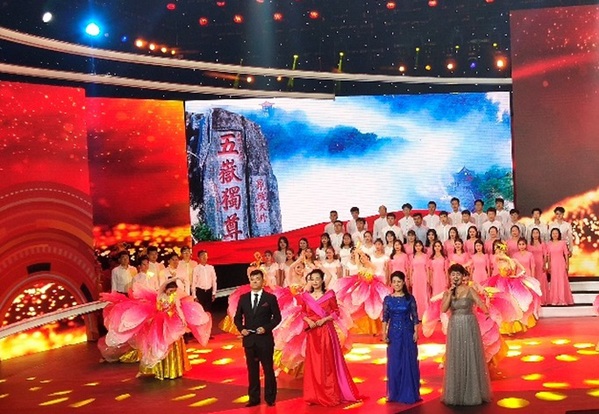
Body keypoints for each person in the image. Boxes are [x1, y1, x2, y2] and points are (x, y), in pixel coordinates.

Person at [101, 280, 212, 380]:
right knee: (157, 347)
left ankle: (174, 370)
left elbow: (178, 308)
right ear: (166, 289)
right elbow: (158, 308)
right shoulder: (161, 297)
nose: (172, 292)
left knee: (172, 343)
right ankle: (158, 370)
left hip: (172, 324)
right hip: (161, 323)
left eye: (174, 291)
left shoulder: (174, 297)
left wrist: (182, 320)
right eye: (170, 290)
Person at [301, 269, 360, 406]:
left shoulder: (329, 294)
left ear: (322, 280)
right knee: (314, 363)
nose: (315, 282)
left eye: (317, 278)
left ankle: (329, 394)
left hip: (326, 331)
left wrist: (324, 319)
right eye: (312, 279)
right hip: (312, 333)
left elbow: (336, 312)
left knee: (327, 363)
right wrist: (308, 321)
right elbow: (303, 312)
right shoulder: (306, 296)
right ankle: (314, 395)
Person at [441, 264, 492, 406]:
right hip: (454, 326)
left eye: (458, 274)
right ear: (449, 277)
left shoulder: (469, 290)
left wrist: (487, 310)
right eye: (453, 274)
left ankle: (472, 392)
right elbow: (444, 309)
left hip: (469, 324)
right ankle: (456, 392)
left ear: (463, 276)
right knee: (456, 356)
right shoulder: (447, 292)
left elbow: (480, 303)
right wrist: (450, 293)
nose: (455, 277)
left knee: (469, 354)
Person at [234, 269, 282, 407]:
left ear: (263, 281)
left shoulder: (270, 298)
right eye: (252, 279)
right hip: (249, 340)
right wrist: (241, 329)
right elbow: (237, 318)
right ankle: (254, 398)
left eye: (257, 279)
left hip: (265, 340)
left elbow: (277, 318)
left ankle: (270, 398)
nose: (255, 282)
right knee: (252, 371)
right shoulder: (243, 298)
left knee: (268, 369)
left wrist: (266, 328)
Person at [382, 271, 421, 404]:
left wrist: (416, 332)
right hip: (393, 333)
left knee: (408, 361)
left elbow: (415, 317)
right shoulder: (388, 299)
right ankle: (395, 392)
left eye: (399, 281)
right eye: (394, 282)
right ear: (391, 284)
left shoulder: (410, 298)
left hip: (408, 332)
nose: (396, 284)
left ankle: (409, 392)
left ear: (404, 282)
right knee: (395, 361)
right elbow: (385, 318)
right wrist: (384, 333)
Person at [547, 228, 574, 306]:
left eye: (556, 233)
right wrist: (549, 266)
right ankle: (554, 299)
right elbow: (548, 256)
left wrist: (567, 264)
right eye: (553, 233)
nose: (555, 235)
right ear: (551, 235)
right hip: (553, 264)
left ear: (559, 234)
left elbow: (566, 254)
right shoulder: (549, 244)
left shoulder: (563, 243)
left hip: (561, 263)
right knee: (554, 281)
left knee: (562, 280)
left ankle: (563, 299)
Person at [528, 228, 549, 304]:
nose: (535, 235)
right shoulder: (529, 245)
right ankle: (535, 301)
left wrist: (544, 264)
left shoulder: (542, 244)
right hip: (533, 266)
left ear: (539, 234)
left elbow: (545, 255)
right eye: (534, 233)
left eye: (537, 233)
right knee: (534, 282)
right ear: (531, 235)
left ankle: (543, 300)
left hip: (541, 264)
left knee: (542, 281)